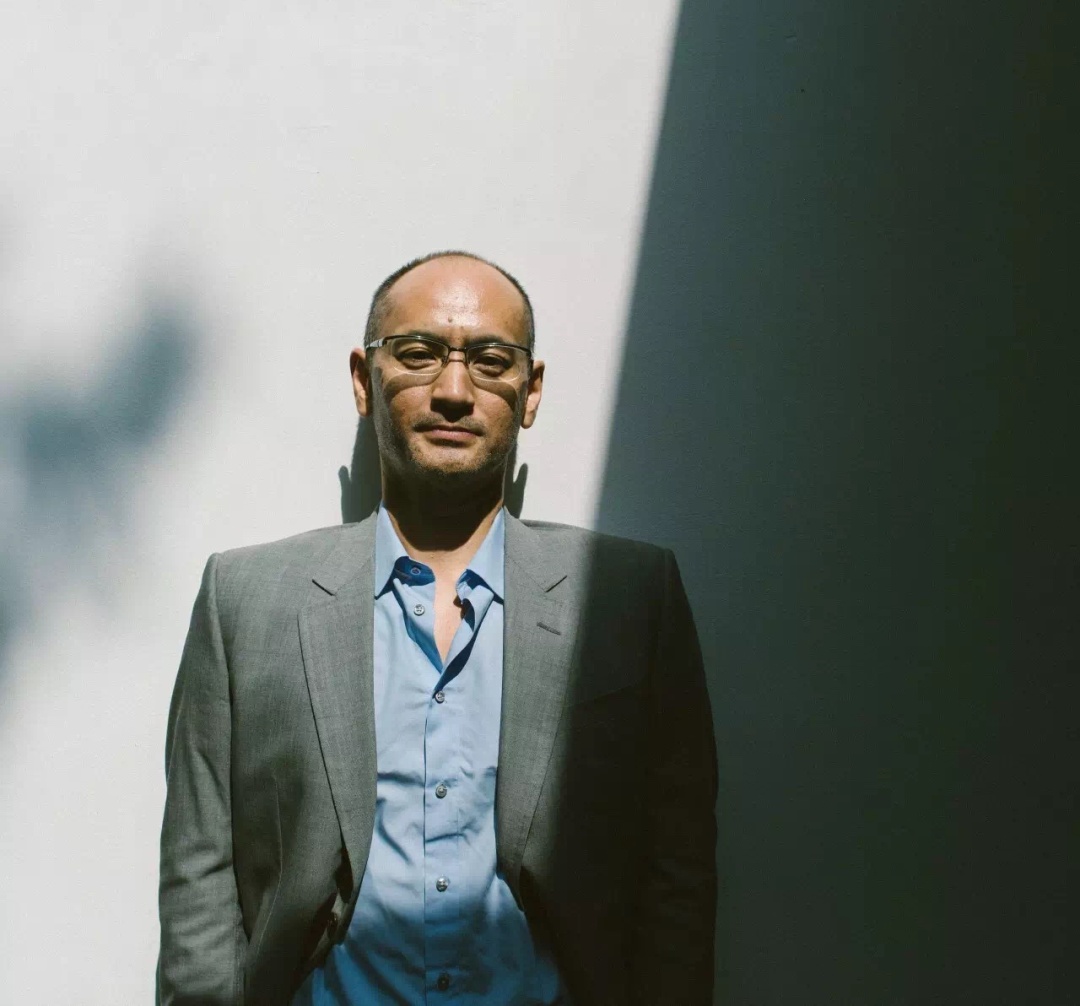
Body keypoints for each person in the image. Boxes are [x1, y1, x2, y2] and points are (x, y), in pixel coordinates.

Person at [157, 251, 717, 1006]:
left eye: (490, 360)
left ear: (531, 391)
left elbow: (677, 872)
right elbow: (199, 872)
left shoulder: (629, 597)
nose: (454, 391)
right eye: (418, 354)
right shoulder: (247, 599)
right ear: (364, 379)